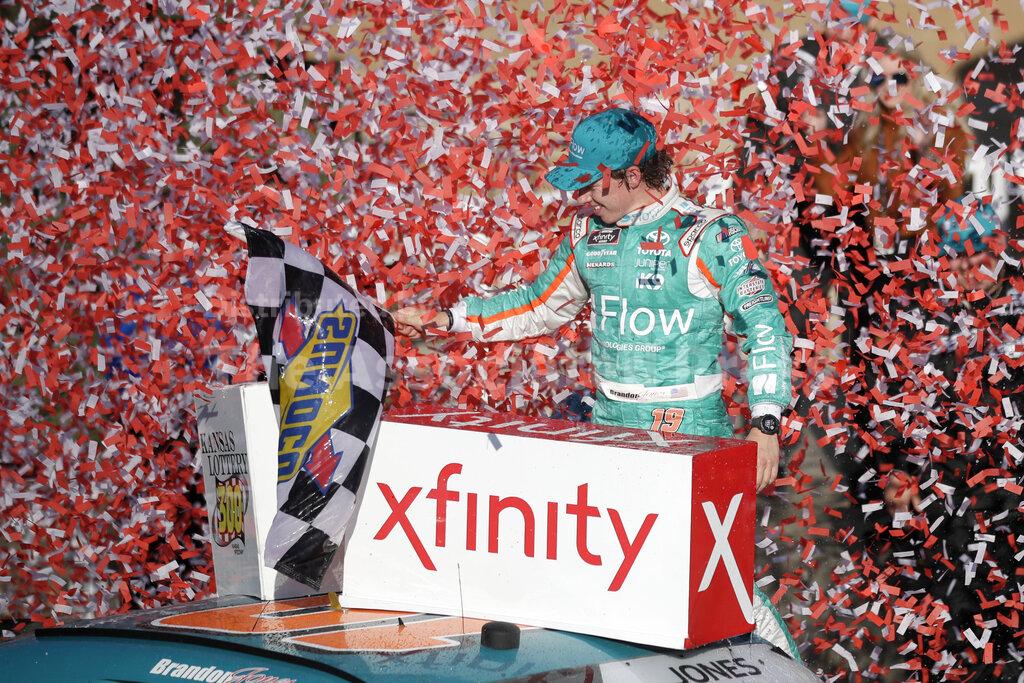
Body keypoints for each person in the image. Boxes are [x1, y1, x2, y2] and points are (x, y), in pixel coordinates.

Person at [394, 107, 794, 493]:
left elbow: (764, 327)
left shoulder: (711, 233)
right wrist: (446, 320)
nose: (582, 195)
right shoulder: (586, 232)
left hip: (691, 432)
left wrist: (766, 423)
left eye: (590, 182)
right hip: (608, 426)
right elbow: (539, 306)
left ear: (632, 175)